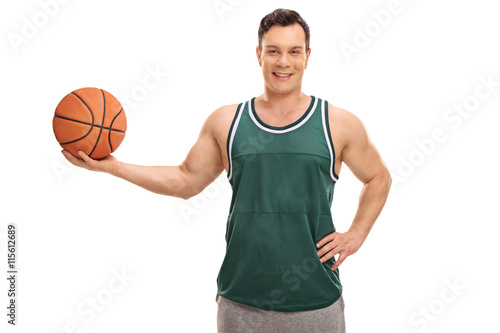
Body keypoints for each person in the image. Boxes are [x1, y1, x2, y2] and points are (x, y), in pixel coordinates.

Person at [63, 8, 391, 333]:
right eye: (273, 51)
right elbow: (185, 180)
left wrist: (356, 234)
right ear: (259, 54)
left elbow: (378, 177)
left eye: (294, 51)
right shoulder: (227, 122)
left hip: (316, 302)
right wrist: (115, 167)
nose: (283, 62)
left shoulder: (338, 123)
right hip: (241, 303)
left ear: (307, 57)